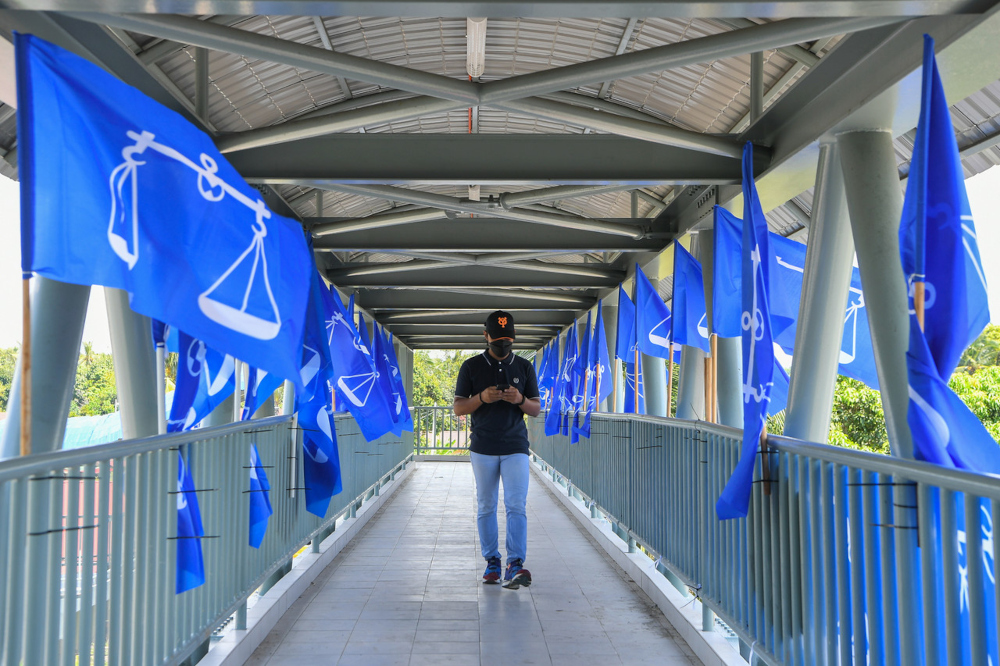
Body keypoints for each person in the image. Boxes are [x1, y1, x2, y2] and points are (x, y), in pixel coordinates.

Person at [453, 310, 541, 589]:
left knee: (516, 505)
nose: (502, 346)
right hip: (483, 447)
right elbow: (458, 408)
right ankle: (492, 561)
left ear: (513, 339)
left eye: (507, 341)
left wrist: (519, 399)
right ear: (486, 336)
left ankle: (515, 564)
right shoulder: (471, 366)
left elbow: (536, 409)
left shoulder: (525, 367)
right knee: (486, 505)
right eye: (497, 341)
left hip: (516, 445)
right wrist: (481, 397)